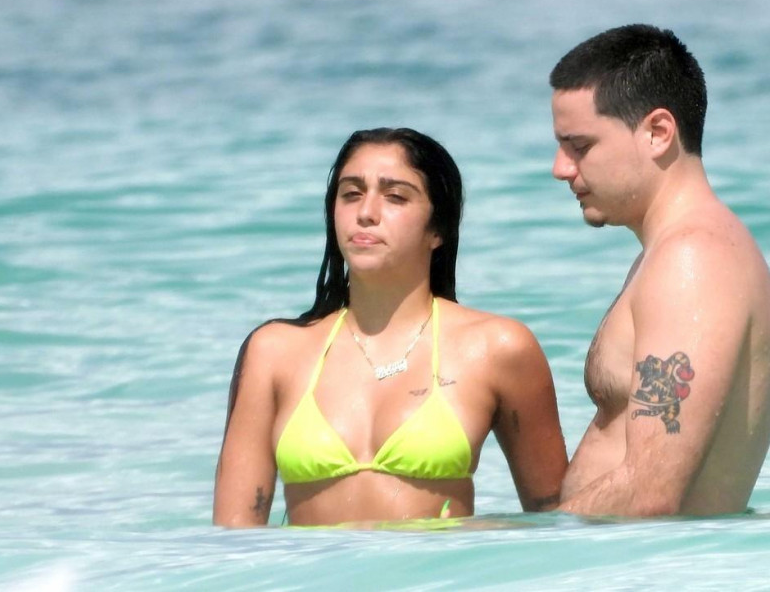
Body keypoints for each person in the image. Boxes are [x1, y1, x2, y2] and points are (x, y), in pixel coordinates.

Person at [213, 128, 567, 527]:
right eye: (351, 194)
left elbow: (555, 522)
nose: (366, 212)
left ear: (438, 229)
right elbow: (233, 538)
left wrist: (484, 534)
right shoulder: (275, 352)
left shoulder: (496, 348)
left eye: (395, 196)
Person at [549, 24, 770, 517]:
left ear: (658, 133)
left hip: (653, 560)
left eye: (580, 146)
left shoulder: (694, 261)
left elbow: (650, 494)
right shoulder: (669, 254)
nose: (561, 168)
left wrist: (513, 539)